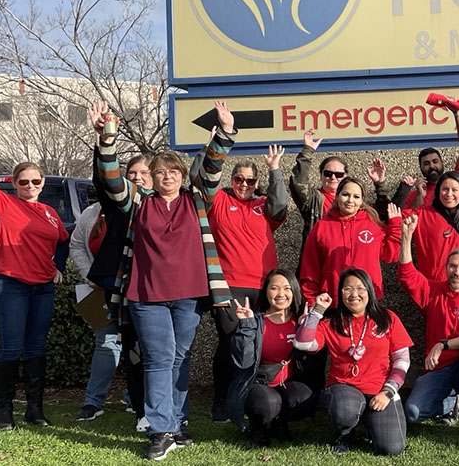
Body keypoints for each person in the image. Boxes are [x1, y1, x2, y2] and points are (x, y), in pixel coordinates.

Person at [92, 99, 236, 461]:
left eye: (173, 171)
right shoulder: (138, 202)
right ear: (150, 177)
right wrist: (105, 142)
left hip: (189, 296)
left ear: (182, 176)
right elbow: (112, 181)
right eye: (160, 172)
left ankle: (177, 422)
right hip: (147, 295)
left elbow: (214, 169)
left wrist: (223, 133)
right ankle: (160, 430)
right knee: (158, 359)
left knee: (179, 358)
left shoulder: (197, 199)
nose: (167, 176)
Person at [0, 117, 69, 431]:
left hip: (43, 287)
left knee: (36, 348)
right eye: (24, 182)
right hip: (11, 284)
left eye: (35, 182)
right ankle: (4, 412)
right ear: (14, 183)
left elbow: (63, 241)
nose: (30, 186)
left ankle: (35, 410)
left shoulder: (50, 214)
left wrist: (57, 267)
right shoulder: (1, 204)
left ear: (43, 183)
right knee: (10, 347)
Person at [398, 213, 459, 444]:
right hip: (439, 370)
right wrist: (405, 238)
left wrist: (443, 344)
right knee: (412, 413)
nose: (457, 272)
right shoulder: (434, 291)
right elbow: (407, 276)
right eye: (452, 266)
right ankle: (448, 402)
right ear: (446, 268)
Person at [294, 269, 412, 456]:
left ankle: (368, 421)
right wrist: (317, 312)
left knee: (391, 449)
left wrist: (388, 391)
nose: (354, 294)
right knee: (345, 411)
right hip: (344, 387)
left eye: (360, 288)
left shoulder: (387, 318)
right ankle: (345, 432)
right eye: (347, 289)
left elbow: (402, 360)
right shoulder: (330, 324)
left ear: (369, 292)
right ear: (340, 293)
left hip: (380, 390)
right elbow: (302, 343)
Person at [209, 146, 287, 424]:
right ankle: (222, 403)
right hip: (229, 286)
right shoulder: (217, 200)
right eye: (239, 179)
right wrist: (210, 149)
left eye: (250, 181)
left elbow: (280, 206)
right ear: (231, 180)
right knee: (230, 342)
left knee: (257, 344)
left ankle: (250, 400)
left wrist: (274, 169)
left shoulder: (263, 205)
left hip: (263, 287)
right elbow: (201, 177)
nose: (244, 185)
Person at [70, 154, 150, 423]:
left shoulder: (154, 206)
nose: (137, 177)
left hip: (143, 289)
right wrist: (89, 273)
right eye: (132, 173)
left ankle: (135, 401)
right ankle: (94, 402)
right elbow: (76, 245)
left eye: (144, 173)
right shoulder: (99, 209)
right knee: (106, 344)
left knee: (138, 347)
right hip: (107, 286)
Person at [229, 268, 313, 446]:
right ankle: (257, 427)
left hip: (286, 383)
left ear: (294, 291)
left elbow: (309, 363)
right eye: (274, 288)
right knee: (268, 402)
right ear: (266, 292)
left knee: (304, 397)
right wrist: (246, 325)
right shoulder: (256, 320)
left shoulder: (299, 321)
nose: (281, 293)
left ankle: (279, 422)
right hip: (258, 385)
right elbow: (244, 361)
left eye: (287, 288)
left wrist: (305, 330)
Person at [298, 178, 402, 307]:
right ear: (337, 196)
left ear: (362, 200)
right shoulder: (322, 226)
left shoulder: (373, 224)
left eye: (356, 196)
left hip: (367, 301)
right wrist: (311, 301)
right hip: (332, 302)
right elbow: (310, 268)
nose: (350, 200)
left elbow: (391, 255)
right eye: (346, 194)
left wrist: (396, 226)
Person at [288, 130, 396, 247]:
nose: (333, 177)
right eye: (328, 173)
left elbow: (380, 218)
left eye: (338, 174)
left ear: (345, 176)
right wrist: (307, 151)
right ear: (321, 175)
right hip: (320, 259)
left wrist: (380, 184)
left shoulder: (354, 201)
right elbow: (298, 183)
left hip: (350, 259)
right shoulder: (313, 200)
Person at [407, 171, 459, 284]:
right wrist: (406, 189)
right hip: (432, 288)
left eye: (454, 190)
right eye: (445, 189)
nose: (449, 194)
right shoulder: (422, 215)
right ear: (438, 191)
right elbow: (393, 217)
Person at [405, 99, 459, 208]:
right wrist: (419, 196)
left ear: (442, 163)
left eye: (435, 161)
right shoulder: (413, 195)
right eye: (426, 163)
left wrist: (458, 113)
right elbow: (408, 220)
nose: (432, 166)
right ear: (420, 167)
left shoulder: (455, 183)